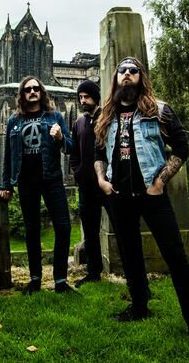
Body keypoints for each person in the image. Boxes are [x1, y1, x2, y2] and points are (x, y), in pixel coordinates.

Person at [93, 57, 189, 354]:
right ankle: (139, 307)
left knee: (176, 258)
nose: (127, 74)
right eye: (122, 71)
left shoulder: (159, 110)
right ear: (116, 78)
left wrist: (160, 181)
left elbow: (182, 148)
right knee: (130, 255)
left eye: (133, 71)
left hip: (152, 195)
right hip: (119, 196)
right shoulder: (105, 114)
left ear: (141, 77)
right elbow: (99, 152)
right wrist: (101, 179)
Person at [0, 76, 74, 294]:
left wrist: (60, 138)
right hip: (26, 181)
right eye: (27, 89)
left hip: (52, 179)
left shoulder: (55, 116)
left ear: (41, 92)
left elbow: (70, 147)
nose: (32, 92)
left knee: (63, 227)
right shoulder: (14, 121)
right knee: (32, 230)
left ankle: (60, 280)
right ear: (22, 94)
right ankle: (35, 279)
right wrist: (6, 184)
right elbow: (8, 154)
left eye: (36, 88)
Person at [69, 79, 110, 288]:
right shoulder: (79, 123)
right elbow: (74, 152)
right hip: (86, 185)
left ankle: (133, 274)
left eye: (86, 96)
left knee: (122, 229)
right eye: (80, 97)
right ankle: (94, 272)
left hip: (109, 185)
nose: (83, 100)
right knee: (90, 233)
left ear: (95, 97)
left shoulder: (108, 118)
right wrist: (78, 172)